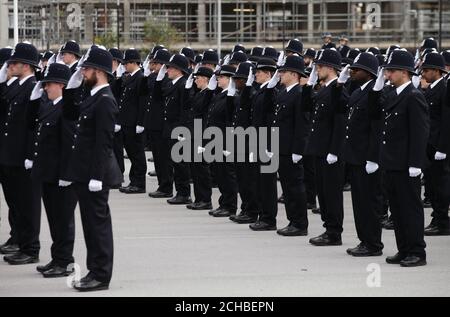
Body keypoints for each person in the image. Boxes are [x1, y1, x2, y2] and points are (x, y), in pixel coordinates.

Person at [63, 47, 122, 291]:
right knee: (89, 225)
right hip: (84, 173)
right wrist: (71, 87)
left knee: (98, 226)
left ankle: (101, 275)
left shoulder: (106, 100)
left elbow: (103, 143)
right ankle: (93, 270)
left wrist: (97, 176)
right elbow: (69, 113)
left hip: (94, 175)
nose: (82, 72)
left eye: (85, 69)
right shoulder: (93, 95)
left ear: (98, 71)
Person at [370, 49, 429, 267]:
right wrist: (376, 89)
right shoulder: (393, 94)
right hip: (392, 163)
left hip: (406, 165)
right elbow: (374, 111)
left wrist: (416, 163)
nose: (387, 75)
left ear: (404, 72)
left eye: (391, 71)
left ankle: (416, 251)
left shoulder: (414, 97)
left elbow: (419, 133)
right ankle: (404, 249)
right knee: (396, 210)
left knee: (410, 209)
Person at [28, 63, 78, 277]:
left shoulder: (67, 110)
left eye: (48, 84)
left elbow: (70, 145)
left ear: (61, 85)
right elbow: (31, 125)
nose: (45, 88)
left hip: (61, 176)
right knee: (54, 219)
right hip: (48, 173)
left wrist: (67, 175)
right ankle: (57, 258)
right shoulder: (48, 106)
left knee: (63, 220)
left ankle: (65, 261)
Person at [338, 52, 384, 256]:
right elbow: (341, 109)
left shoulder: (376, 93)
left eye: (356, 70)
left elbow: (377, 128)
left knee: (369, 203)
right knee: (359, 203)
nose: (352, 72)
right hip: (355, 156)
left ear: (368, 73)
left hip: (367, 158)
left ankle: (373, 243)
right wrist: (339, 86)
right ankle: (364, 240)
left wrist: (373, 157)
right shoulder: (357, 92)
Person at [1, 42, 42, 265]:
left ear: (26, 66)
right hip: (11, 155)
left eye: (14, 62)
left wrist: (30, 155)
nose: (10, 65)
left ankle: (31, 248)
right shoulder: (15, 85)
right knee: (17, 203)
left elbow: (32, 127)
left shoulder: (33, 89)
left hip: (23, 157)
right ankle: (21, 242)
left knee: (29, 205)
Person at [302, 49, 348, 246]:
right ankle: (328, 228)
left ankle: (334, 232)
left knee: (332, 193)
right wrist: (309, 85)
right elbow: (306, 107)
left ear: (330, 67)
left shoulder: (338, 90)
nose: (316, 69)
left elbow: (340, 123)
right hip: (320, 149)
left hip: (330, 151)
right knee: (323, 192)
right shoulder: (323, 89)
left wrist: (334, 151)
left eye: (319, 66)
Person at [419, 52, 450, 236]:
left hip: (439, 145)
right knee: (432, 185)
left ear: (437, 71)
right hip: (430, 143)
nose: (423, 73)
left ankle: (442, 222)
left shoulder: (444, 88)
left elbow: (446, 119)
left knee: (441, 186)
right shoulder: (431, 88)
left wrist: (443, 148)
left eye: (427, 70)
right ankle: (437, 218)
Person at [117, 48, 147, 194]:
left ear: (134, 63)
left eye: (127, 63)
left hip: (134, 122)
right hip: (127, 121)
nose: (124, 65)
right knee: (131, 152)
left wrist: (140, 123)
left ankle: (139, 183)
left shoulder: (140, 78)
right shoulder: (129, 77)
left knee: (137, 154)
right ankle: (133, 181)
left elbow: (142, 102)